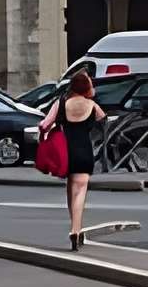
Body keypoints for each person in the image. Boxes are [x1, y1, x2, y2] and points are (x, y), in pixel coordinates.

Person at [41, 68, 109, 251]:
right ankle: (75, 230)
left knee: (71, 191)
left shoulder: (61, 103)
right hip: (85, 152)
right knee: (80, 192)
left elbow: (44, 124)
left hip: (66, 152)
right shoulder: (92, 105)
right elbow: (104, 121)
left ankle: (75, 227)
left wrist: (48, 134)